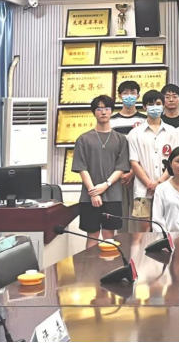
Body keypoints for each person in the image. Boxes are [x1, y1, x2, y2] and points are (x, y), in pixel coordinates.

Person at [72, 95, 130, 248]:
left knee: (109, 236)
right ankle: (90, 264)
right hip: (89, 197)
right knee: (92, 235)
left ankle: (109, 264)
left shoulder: (120, 139)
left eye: (107, 108)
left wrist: (106, 185)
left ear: (111, 111)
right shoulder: (83, 139)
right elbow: (81, 167)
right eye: (99, 109)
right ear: (94, 112)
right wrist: (93, 192)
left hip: (113, 195)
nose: (103, 112)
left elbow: (121, 167)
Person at [128, 90, 179, 232]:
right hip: (142, 190)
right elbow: (134, 162)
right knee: (144, 229)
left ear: (163, 105)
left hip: (169, 188)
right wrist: (149, 184)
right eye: (150, 104)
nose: (155, 107)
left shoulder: (173, 132)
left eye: (158, 104)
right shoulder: (135, 133)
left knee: (168, 226)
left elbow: (176, 161)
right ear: (144, 107)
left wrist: (159, 183)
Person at [109, 80, 147, 230]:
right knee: (120, 218)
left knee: (140, 219)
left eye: (133, 93)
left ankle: (140, 245)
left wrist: (132, 172)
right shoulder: (112, 121)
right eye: (125, 93)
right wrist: (121, 172)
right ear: (119, 96)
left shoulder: (145, 120)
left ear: (138, 95)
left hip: (140, 175)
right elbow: (111, 150)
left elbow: (146, 150)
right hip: (118, 175)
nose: (129, 96)